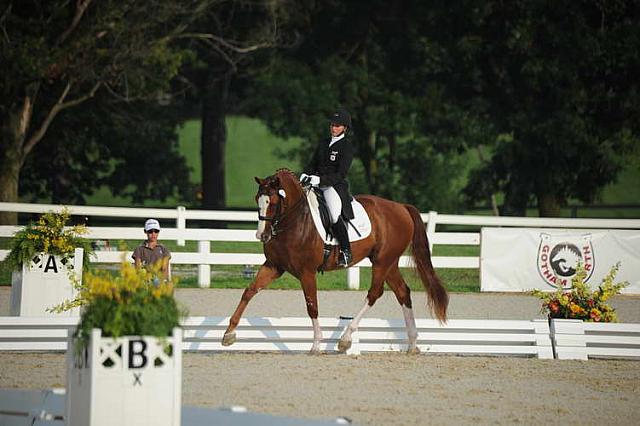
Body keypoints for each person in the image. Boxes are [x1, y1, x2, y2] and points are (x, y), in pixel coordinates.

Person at [300, 108, 355, 267]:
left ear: (345, 128)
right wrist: (305, 174)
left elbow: (341, 173)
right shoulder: (323, 143)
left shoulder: (346, 147)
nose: (334, 128)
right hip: (315, 183)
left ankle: (346, 251)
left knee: (333, 214)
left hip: (333, 186)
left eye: (338, 126)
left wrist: (321, 180)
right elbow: (312, 164)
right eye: (332, 125)